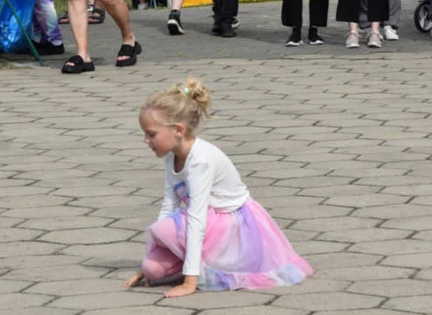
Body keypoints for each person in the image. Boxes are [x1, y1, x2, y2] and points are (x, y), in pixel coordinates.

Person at [123, 78, 313, 296]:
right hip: (205, 221)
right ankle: (189, 263)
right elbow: (168, 205)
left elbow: (197, 218)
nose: (146, 141)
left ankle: (200, 268)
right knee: (153, 268)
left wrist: (190, 283)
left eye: (151, 134)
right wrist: (146, 261)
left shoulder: (200, 160)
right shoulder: (171, 154)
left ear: (178, 129)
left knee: (165, 228)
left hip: (231, 226)